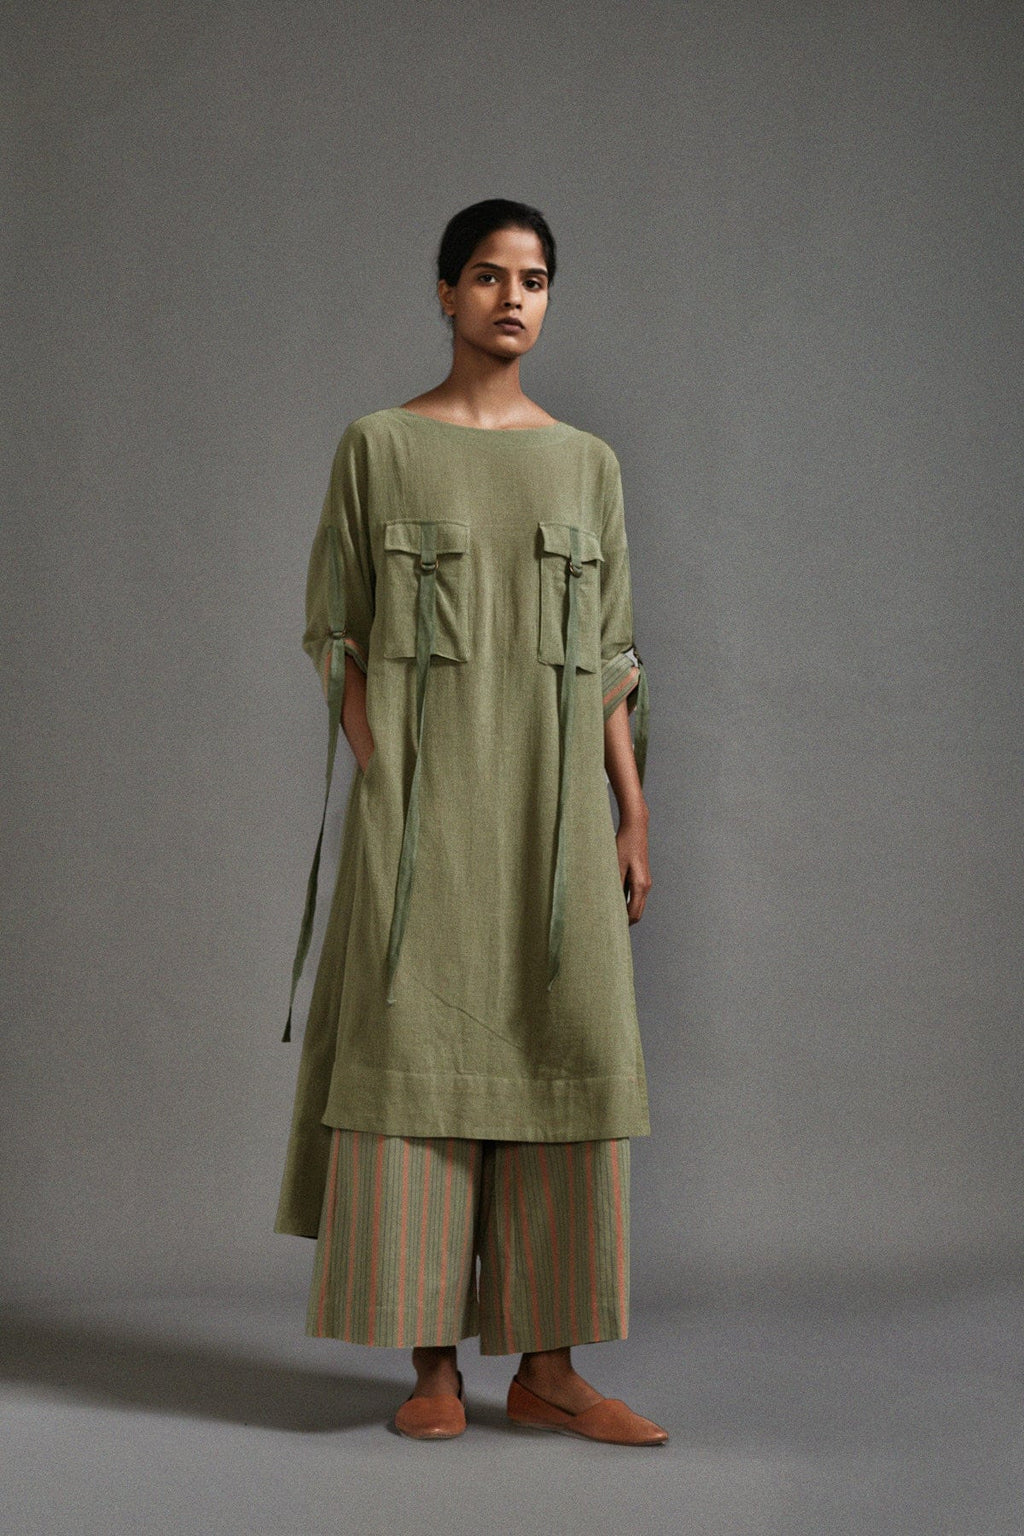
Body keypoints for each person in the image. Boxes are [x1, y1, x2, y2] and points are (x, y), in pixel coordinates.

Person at [275, 198, 666, 1446]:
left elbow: (611, 659)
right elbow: (335, 631)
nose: (512, 298)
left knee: (561, 1051)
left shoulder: (587, 465)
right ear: (444, 293)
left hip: (553, 821)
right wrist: (385, 770)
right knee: (416, 1053)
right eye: (488, 275)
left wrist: (629, 814)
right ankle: (432, 1367)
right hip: (423, 824)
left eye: (534, 278)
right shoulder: (378, 447)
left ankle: (549, 1369)